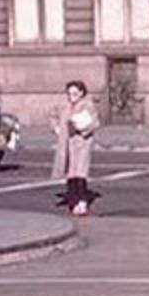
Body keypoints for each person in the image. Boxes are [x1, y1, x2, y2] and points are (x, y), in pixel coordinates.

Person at [51, 80, 99, 216]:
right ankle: (73, 201)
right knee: (70, 175)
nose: (72, 96)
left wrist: (81, 127)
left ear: (82, 93)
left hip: (81, 144)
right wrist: (56, 128)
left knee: (80, 174)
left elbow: (94, 123)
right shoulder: (64, 105)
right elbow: (53, 115)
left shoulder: (87, 105)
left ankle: (82, 202)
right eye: (70, 93)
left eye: (75, 93)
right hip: (66, 144)